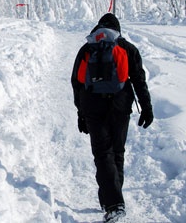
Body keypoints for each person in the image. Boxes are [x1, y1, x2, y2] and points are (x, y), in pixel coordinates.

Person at [70, 13, 153, 222]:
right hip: (120, 106)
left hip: (93, 107)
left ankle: (113, 203)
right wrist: (146, 107)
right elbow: (139, 81)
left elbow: (77, 83)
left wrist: (81, 113)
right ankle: (112, 201)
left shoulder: (87, 48)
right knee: (117, 152)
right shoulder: (127, 48)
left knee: (102, 154)